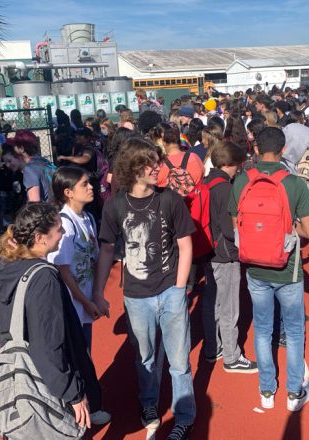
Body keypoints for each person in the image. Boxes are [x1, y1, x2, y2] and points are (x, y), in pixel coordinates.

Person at [94, 138, 197, 440]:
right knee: (145, 358)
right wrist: (99, 293)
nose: (158, 167)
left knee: (179, 361)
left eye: (157, 161)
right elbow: (106, 250)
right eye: (151, 163)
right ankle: (149, 404)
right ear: (134, 167)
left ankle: (184, 416)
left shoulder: (170, 200)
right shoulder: (114, 206)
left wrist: (179, 289)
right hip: (136, 297)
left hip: (170, 291)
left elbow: (185, 245)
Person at [0, 203, 105, 430]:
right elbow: (48, 344)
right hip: (47, 382)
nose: (63, 234)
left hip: (24, 374)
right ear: (40, 238)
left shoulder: (10, 267)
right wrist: (73, 394)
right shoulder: (44, 279)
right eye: (59, 229)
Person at [229, 127, 309, 412]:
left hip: (254, 268)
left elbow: (235, 224)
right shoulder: (294, 183)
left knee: (262, 329)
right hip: (287, 268)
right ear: (283, 150)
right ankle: (293, 392)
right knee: (293, 330)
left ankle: (266, 389)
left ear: (255, 149)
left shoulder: (243, 180)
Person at [46, 166, 110, 425]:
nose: (91, 187)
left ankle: (82, 409)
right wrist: (86, 302)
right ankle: (83, 412)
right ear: (68, 192)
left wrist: (97, 296)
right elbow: (62, 271)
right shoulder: (64, 225)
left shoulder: (88, 219)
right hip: (72, 306)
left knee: (84, 356)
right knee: (78, 359)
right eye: (85, 184)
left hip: (83, 303)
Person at [202, 141, 257, 372]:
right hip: (225, 254)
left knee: (212, 302)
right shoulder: (225, 189)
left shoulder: (207, 181)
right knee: (229, 306)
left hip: (209, 250)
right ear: (227, 164)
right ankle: (232, 357)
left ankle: (213, 347)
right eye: (236, 165)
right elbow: (229, 228)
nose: (238, 169)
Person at [7, 129, 53, 202]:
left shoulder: (29, 169)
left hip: (47, 211)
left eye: (15, 146)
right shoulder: (44, 161)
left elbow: (35, 203)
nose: (13, 148)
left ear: (21, 149)